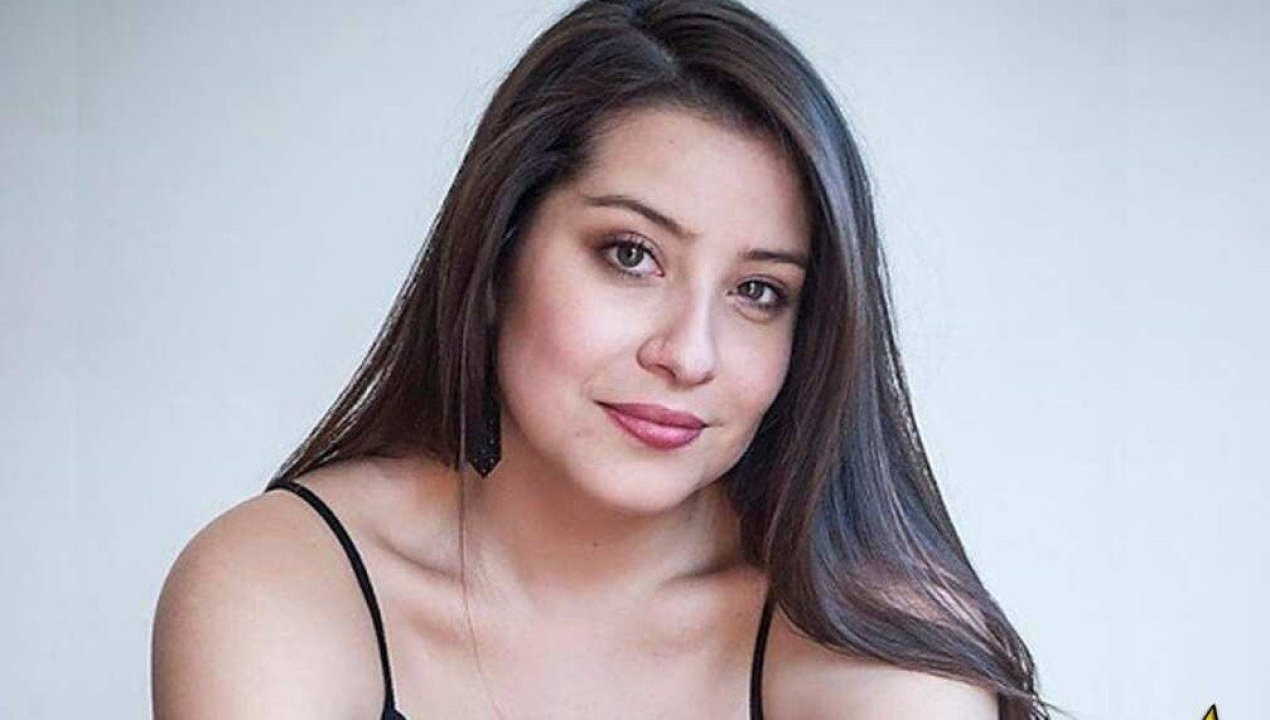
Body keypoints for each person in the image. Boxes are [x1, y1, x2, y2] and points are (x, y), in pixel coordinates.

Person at [152, 0, 1058, 717]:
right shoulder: (283, 582)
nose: (689, 354)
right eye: (631, 255)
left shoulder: (873, 643)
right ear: (499, 253)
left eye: (758, 291)